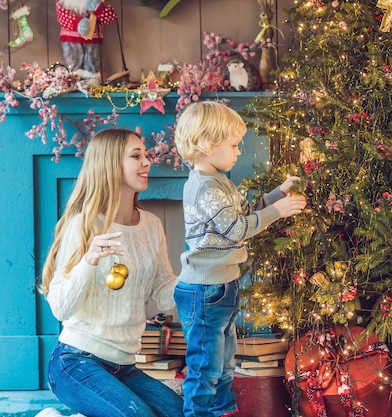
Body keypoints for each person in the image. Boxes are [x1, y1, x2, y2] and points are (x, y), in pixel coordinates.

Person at [173, 101, 307, 417]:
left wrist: (278, 194)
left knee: (222, 366)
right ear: (206, 145)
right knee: (206, 369)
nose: (236, 152)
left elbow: (246, 213)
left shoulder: (219, 181)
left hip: (222, 286)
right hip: (205, 291)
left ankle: (221, 412)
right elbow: (237, 230)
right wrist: (279, 211)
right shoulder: (204, 187)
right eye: (232, 145)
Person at [37, 128, 184, 417]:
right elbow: (60, 307)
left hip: (125, 366)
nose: (147, 162)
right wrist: (89, 261)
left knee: (179, 414)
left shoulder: (151, 226)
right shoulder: (84, 224)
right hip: (75, 362)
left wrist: (196, 274)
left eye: (145, 154)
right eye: (136, 156)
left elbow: (164, 296)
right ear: (109, 165)